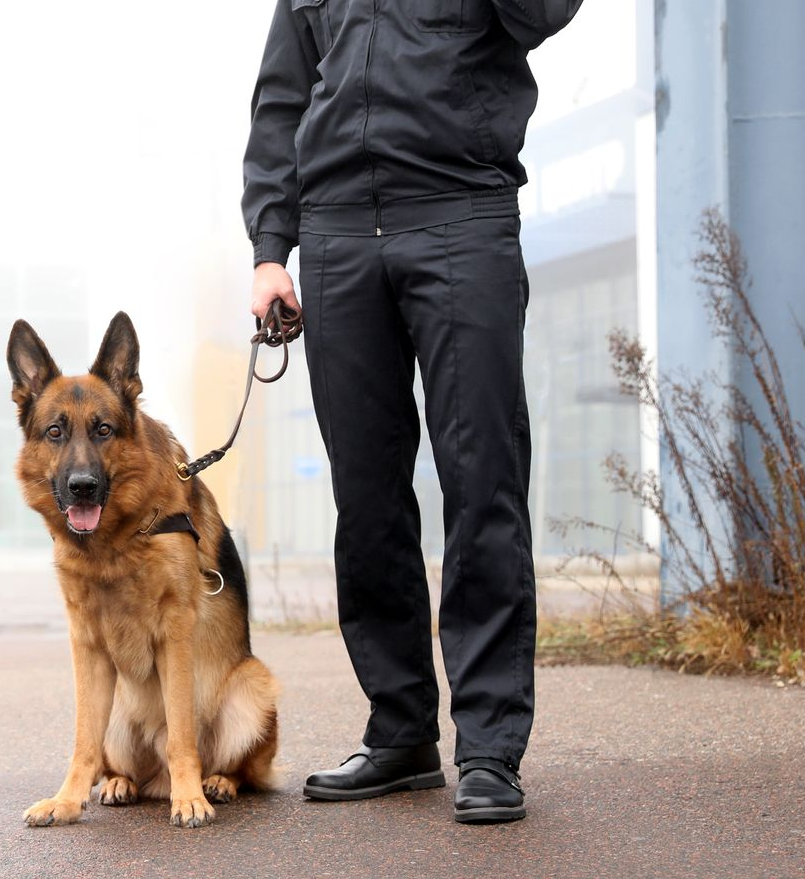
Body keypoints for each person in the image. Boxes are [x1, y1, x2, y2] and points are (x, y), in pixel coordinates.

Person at [241, 0, 582, 823]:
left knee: (481, 482)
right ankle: (399, 731)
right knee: (364, 496)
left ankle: (490, 747)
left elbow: (545, 14)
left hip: (460, 215)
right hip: (335, 234)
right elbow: (281, 99)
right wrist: (267, 250)